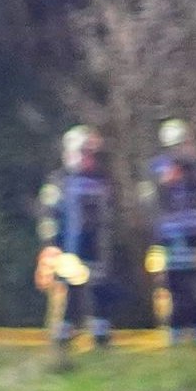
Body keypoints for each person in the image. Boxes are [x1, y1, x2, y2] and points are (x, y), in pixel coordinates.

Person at [40, 124, 116, 355]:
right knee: (69, 292)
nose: (89, 159)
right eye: (85, 153)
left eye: (92, 154)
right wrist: (52, 246)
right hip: (68, 249)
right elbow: (49, 215)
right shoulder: (59, 181)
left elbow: (110, 214)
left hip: (98, 248)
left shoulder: (103, 181)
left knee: (99, 290)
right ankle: (62, 339)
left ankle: (100, 336)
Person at [150, 119, 196, 346]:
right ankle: (175, 332)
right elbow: (155, 197)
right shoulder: (161, 168)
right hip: (171, 237)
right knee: (175, 285)